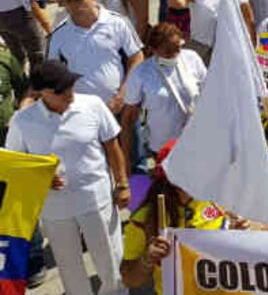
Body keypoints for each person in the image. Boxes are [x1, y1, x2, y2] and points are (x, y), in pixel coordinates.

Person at [5, 61, 130, 295]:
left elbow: (112, 146)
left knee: (111, 261)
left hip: (96, 200)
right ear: (42, 92)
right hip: (55, 210)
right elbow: (15, 165)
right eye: (61, 90)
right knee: (69, 267)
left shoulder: (93, 105)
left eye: (71, 85)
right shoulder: (22, 122)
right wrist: (40, 177)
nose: (70, 93)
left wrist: (122, 184)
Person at [120, 139, 247, 291]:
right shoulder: (144, 219)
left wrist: (241, 232)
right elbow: (129, 279)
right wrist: (147, 260)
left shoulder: (219, 199)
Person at [47, 0, 144, 114]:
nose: (74, 6)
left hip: (120, 107)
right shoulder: (59, 35)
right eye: (68, 0)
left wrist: (123, 94)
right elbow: (51, 73)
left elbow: (136, 58)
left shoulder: (118, 23)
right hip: (81, 112)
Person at [119, 23, 207, 168]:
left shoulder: (192, 58)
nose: (175, 53)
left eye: (178, 47)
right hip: (162, 148)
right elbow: (128, 118)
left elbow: (207, 94)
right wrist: (126, 158)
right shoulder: (141, 73)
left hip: (195, 141)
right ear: (153, 50)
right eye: (168, 51)